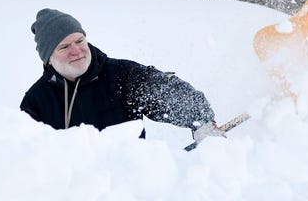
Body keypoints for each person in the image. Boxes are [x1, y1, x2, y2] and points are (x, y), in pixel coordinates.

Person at [20, 8, 224, 142]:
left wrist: (202, 121)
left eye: (80, 41)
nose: (76, 51)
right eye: (64, 46)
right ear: (48, 58)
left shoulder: (121, 75)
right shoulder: (36, 102)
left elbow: (167, 92)